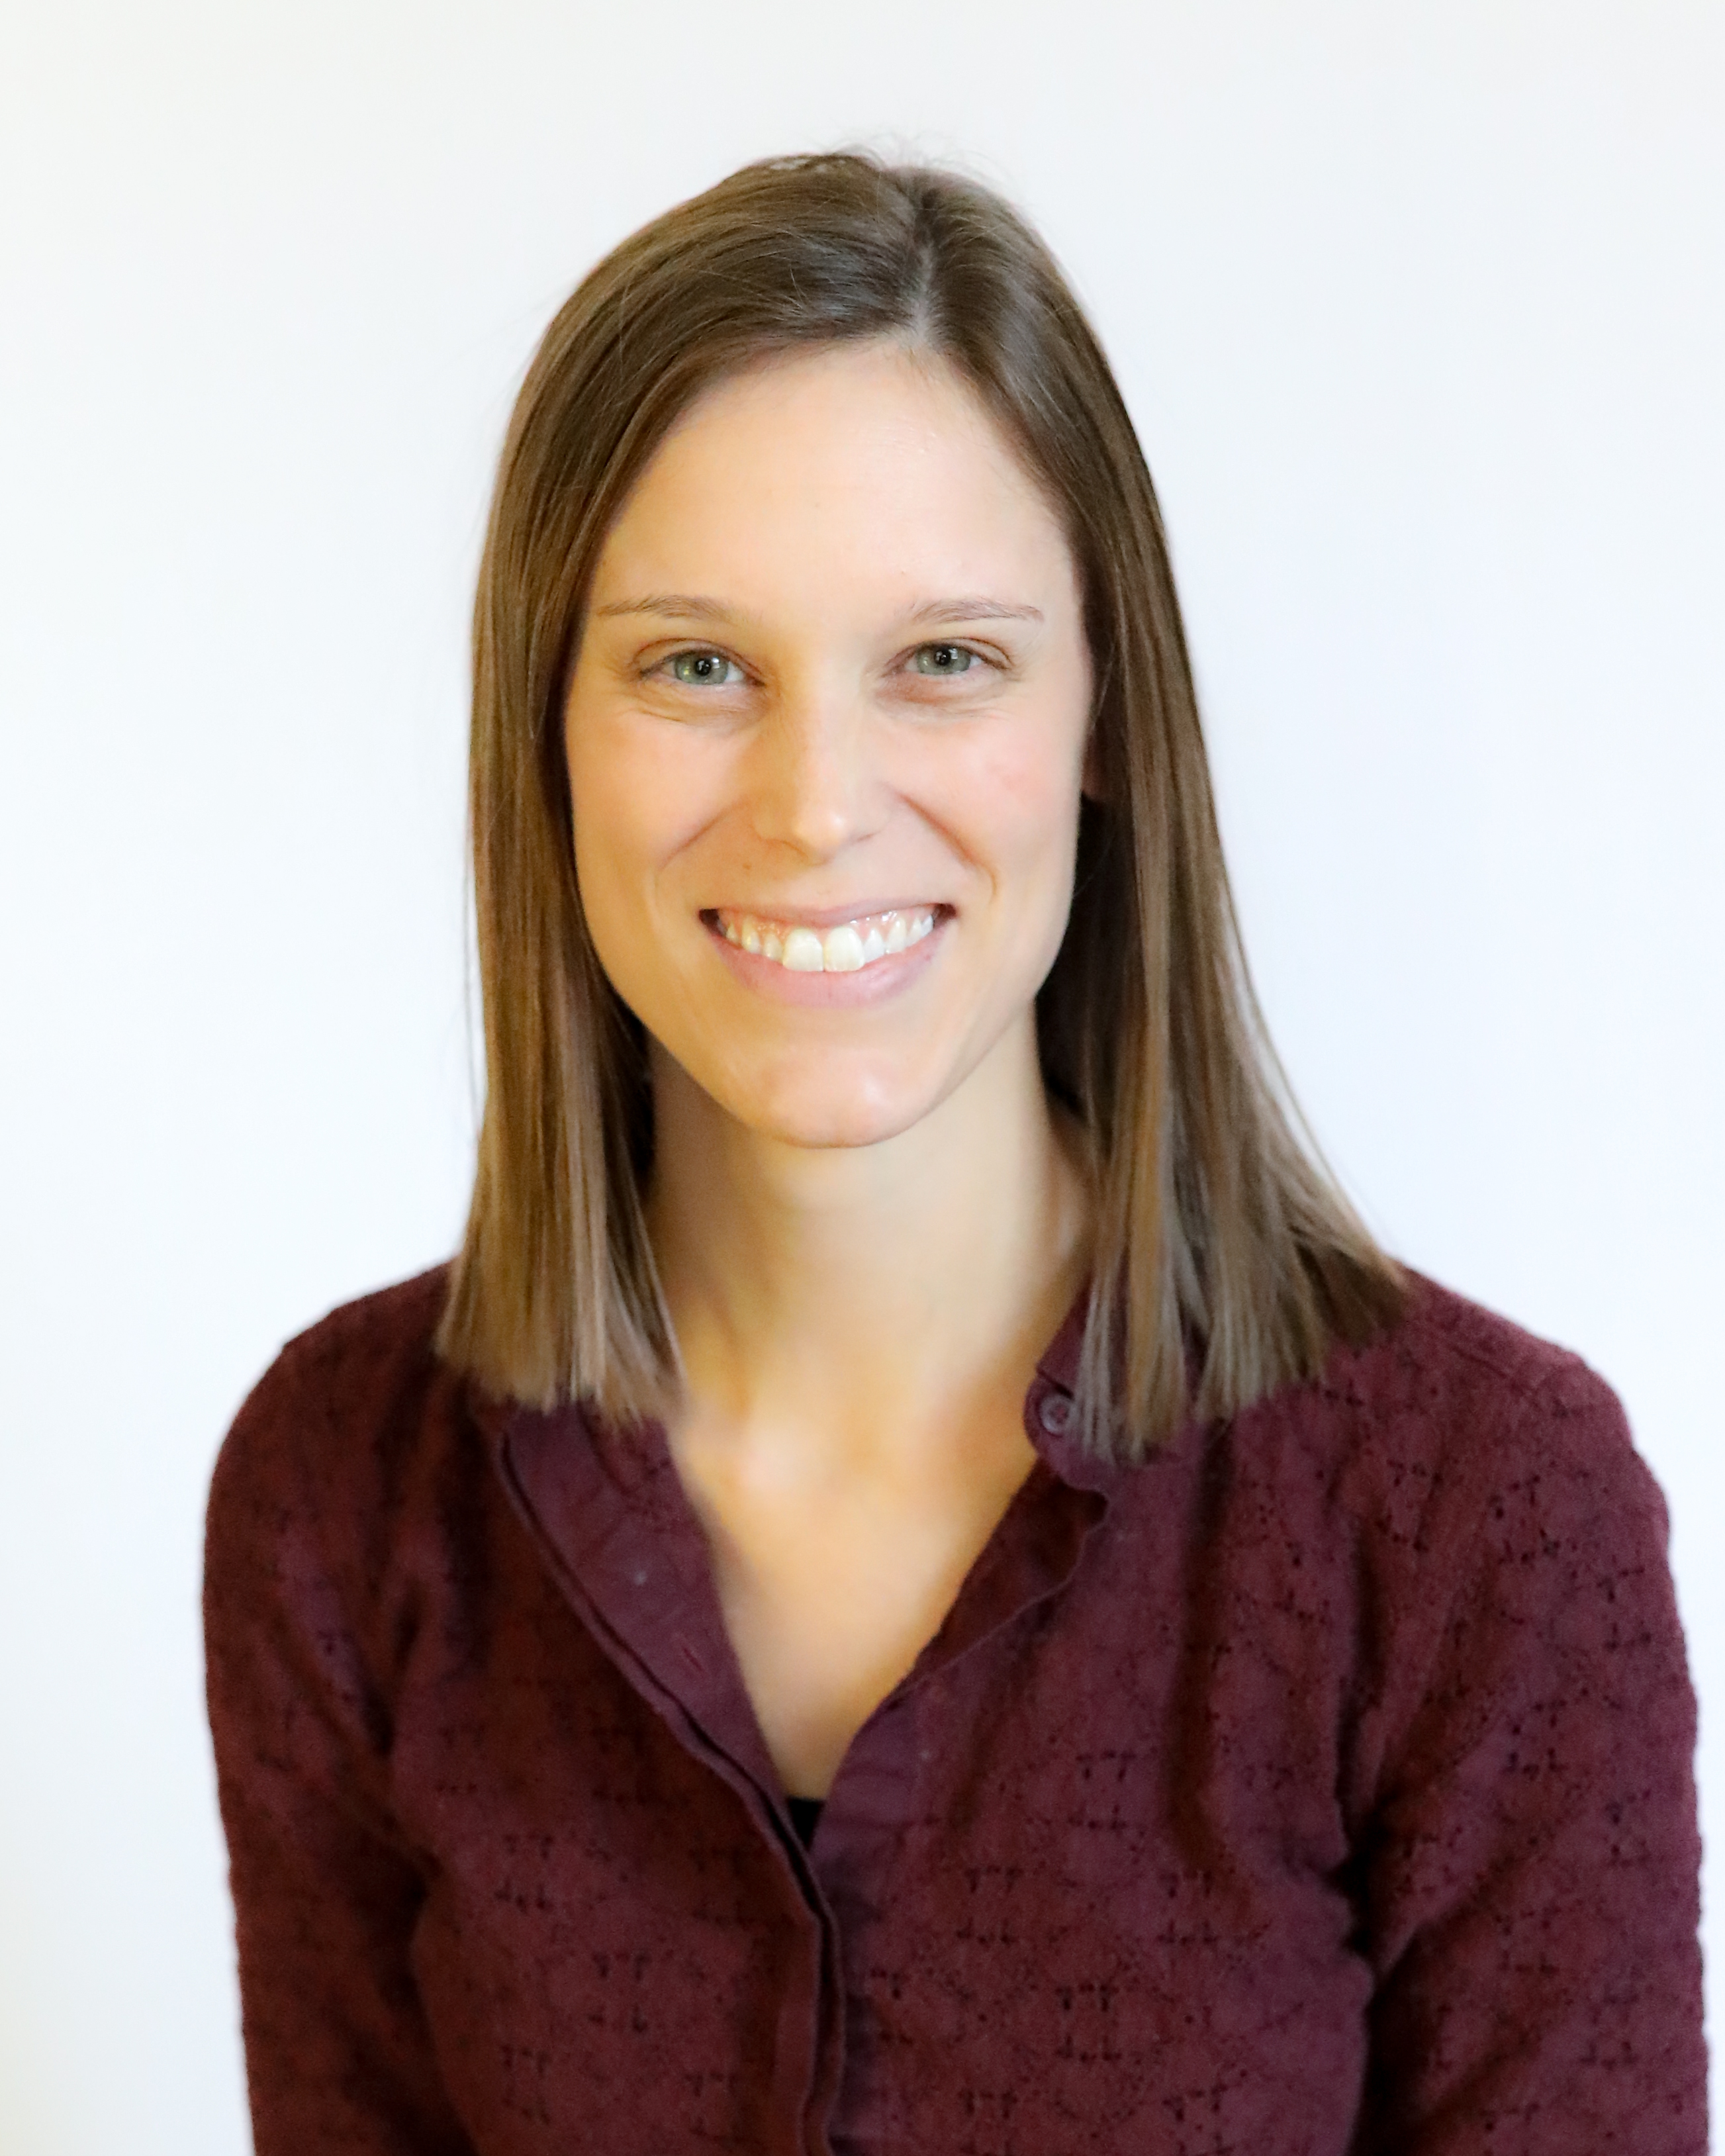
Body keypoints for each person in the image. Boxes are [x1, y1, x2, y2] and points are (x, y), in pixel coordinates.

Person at [203, 151, 1705, 2155]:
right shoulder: (340, 1491)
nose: (819, 806)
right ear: (545, 729)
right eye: (697, 664)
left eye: (947, 660)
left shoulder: (1477, 1512)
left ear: (1103, 713)